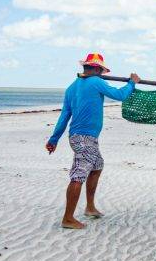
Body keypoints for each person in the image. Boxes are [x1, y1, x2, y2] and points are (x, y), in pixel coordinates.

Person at [46, 53, 140, 229]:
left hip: (82, 137)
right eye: (101, 70)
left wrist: (54, 139)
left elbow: (64, 117)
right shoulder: (96, 81)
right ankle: (68, 218)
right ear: (97, 69)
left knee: (97, 166)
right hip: (84, 138)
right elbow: (120, 95)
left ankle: (90, 207)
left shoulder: (71, 87)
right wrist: (132, 83)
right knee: (78, 175)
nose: (102, 74)